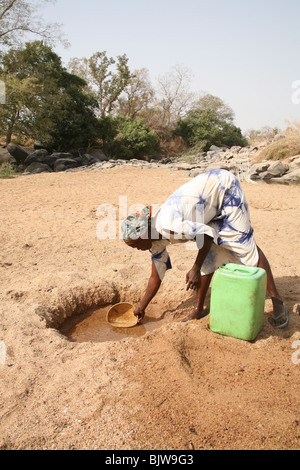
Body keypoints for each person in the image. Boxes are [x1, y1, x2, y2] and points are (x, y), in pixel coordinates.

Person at [121, 169, 289, 329]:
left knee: (242, 246)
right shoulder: (154, 241)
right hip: (206, 207)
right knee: (209, 257)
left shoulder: (167, 225)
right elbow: (155, 276)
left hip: (224, 189)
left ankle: (277, 301)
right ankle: (198, 309)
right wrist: (141, 307)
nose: (136, 249)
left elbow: (207, 234)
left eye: (135, 245)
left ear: (144, 235)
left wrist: (195, 268)